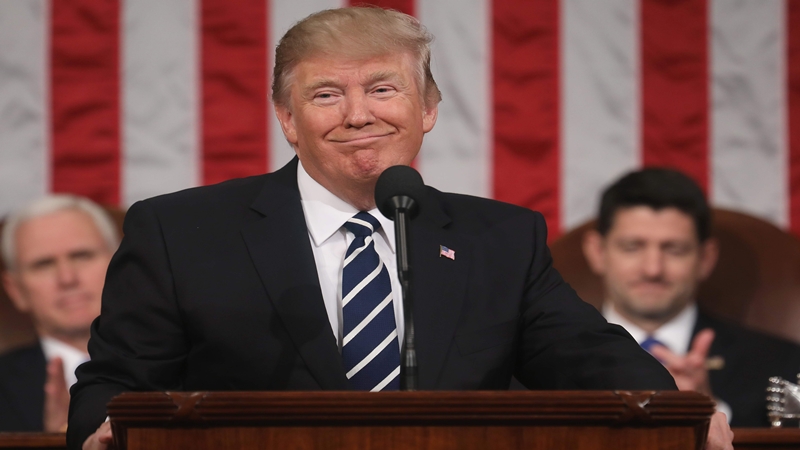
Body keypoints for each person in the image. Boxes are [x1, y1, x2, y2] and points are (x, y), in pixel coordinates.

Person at [68, 7, 731, 450]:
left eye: (383, 89)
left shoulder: (498, 239)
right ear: (287, 119)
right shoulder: (182, 233)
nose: (358, 115)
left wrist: (680, 411)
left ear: (429, 109)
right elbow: (113, 387)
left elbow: (589, 357)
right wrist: (102, 430)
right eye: (326, 94)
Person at [583, 167, 800, 427]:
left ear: (705, 258)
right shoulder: (541, 359)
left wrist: (713, 413)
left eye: (674, 249)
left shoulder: (783, 365)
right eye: (632, 247)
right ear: (597, 252)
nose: (653, 269)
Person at [0, 195, 119, 432]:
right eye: (43, 264)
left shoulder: (187, 367)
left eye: (82, 255)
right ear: (15, 290)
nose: (67, 279)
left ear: (121, 265)